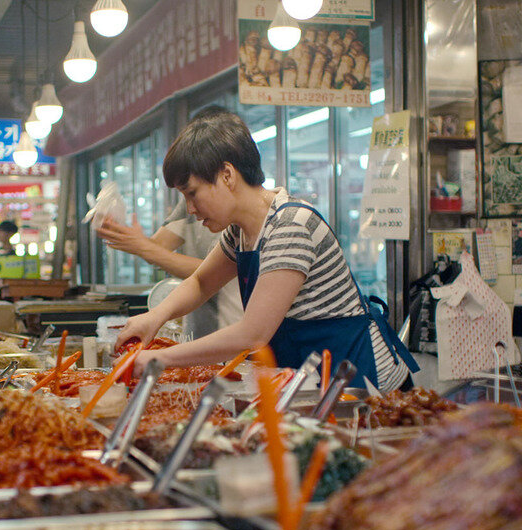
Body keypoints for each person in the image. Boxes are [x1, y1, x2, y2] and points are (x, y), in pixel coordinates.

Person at [115, 110, 416, 390]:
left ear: (227, 175)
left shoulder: (290, 225)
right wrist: (154, 318)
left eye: (192, 193)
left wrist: (162, 359)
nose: (190, 209)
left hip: (367, 384)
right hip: (311, 381)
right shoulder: (240, 231)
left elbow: (253, 334)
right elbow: (200, 282)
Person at [95, 107, 244, 339]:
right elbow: (199, 276)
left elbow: (213, 275)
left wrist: (142, 246)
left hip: (233, 333)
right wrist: (131, 237)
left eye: (192, 193)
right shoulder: (200, 207)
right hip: (203, 334)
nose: (191, 208)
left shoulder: (266, 221)